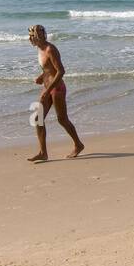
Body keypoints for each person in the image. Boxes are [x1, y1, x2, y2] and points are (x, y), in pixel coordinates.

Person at [27, 24, 85, 162]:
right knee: (37, 119)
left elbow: (61, 71)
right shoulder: (40, 49)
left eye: (36, 36)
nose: (33, 39)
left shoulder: (50, 49)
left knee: (62, 119)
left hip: (57, 89)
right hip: (48, 88)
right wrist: (41, 77)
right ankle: (43, 153)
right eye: (33, 36)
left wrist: (47, 91)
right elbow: (49, 68)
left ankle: (78, 144)